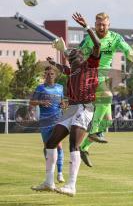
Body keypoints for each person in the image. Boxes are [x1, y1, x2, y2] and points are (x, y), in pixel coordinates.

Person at [31, 12, 101, 196]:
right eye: (70, 57)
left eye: (73, 56)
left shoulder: (90, 65)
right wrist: (54, 61)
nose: (70, 58)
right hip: (71, 109)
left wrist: (86, 26)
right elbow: (64, 68)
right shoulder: (72, 71)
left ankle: (71, 185)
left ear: (81, 57)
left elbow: (97, 44)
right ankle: (48, 182)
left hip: (85, 108)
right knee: (51, 142)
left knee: (73, 144)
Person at [79, 12, 133, 167]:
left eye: (104, 24)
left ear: (109, 25)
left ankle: (84, 147)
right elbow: (79, 56)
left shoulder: (115, 38)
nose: (101, 27)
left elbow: (126, 49)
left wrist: (132, 56)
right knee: (107, 96)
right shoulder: (89, 40)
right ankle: (94, 130)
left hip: (104, 77)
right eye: (98, 24)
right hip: (91, 76)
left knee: (109, 122)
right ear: (95, 24)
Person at [30, 66, 65, 183]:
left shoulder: (60, 88)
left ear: (55, 75)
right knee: (47, 147)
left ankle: (60, 173)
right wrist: (41, 102)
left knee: (59, 145)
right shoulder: (40, 88)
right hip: (45, 122)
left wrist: (63, 105)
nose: (49, 76)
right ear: (44, 75)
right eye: (47, 74)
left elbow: (62, 102)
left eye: (51, 74)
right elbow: (32, 103)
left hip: (58, 120)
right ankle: (51, 169)